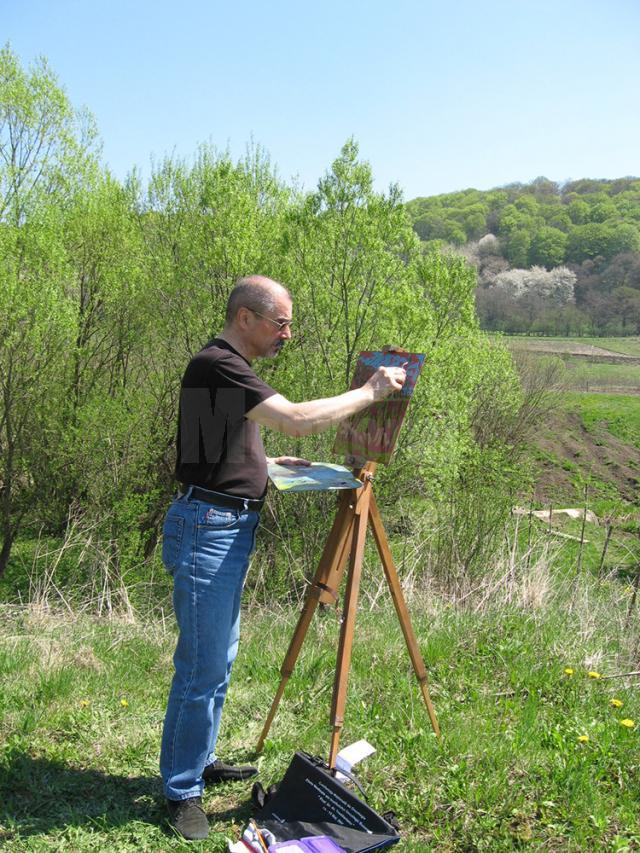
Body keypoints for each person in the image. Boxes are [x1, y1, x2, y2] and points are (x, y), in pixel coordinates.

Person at [160, 275, 406, 840]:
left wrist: (269, 462)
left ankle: (198, 761)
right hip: (208, 529)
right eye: (281, 323)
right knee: (201, 669)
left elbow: (210, 448)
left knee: (217, 661)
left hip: (220, 524)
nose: (287, 335)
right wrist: (371, 391)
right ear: (245, 317)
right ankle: (181, 791)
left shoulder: (219, 368)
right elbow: (296, 415)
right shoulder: (218, 362)